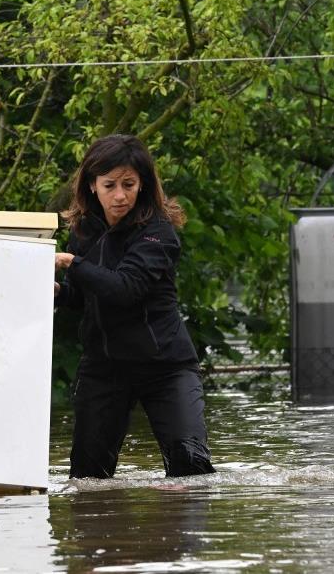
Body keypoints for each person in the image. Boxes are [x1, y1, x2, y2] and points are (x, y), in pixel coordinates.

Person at [54, 134, 215, 478]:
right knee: (87, 480)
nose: (120, 195)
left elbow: (126, 288)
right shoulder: (82, 232)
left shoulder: (158, 232)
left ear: (142, 184)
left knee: (191, 468)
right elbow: (80, 298)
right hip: (104, 369)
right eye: (110, 185)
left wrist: (72, 264)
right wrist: (57, 291)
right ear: (92, 186)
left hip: (166, 367)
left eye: (129, 184)